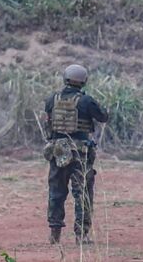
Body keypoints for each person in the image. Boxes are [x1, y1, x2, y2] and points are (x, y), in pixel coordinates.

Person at [43, 64, 109, 245]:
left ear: (65, 78)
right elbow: (103, 117)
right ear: (83, 81)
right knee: (83, 193)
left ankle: (54, 234)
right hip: (80, 154)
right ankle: (82, 236)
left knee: (56, 192)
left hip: (58, 152)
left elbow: (48, 122)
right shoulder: (86, 101)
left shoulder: (51, 99)